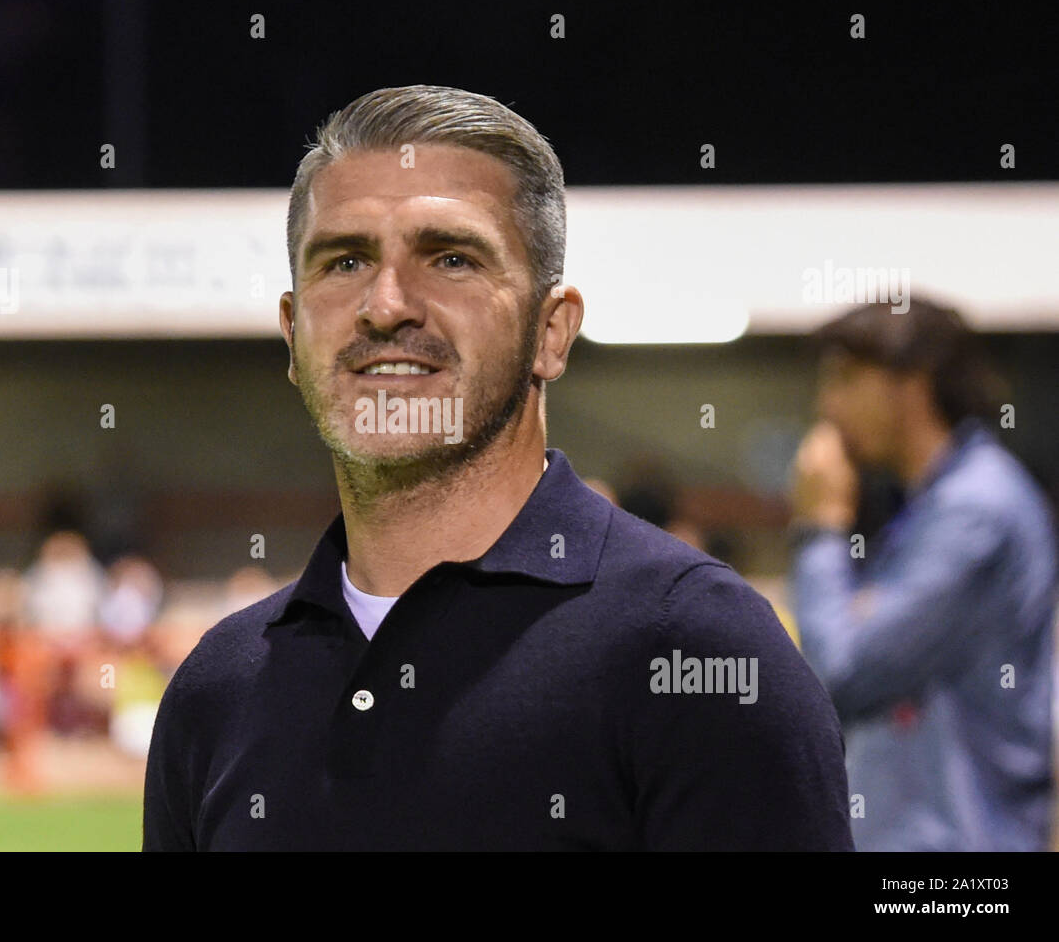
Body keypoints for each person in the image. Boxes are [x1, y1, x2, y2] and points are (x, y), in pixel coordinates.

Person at [144, 84, 853, 851]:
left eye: (451, 257)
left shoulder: (693, 648)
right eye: (344, 261)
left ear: (552, 332)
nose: (386, 305)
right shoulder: (217, 689)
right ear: (292, 332)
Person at [788, 296, 1057, 850]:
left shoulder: (975, 511)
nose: (827, 406)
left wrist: (819, 527)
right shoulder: (934, 507)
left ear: (909, 384)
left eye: (844, 379)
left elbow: (841, 674)